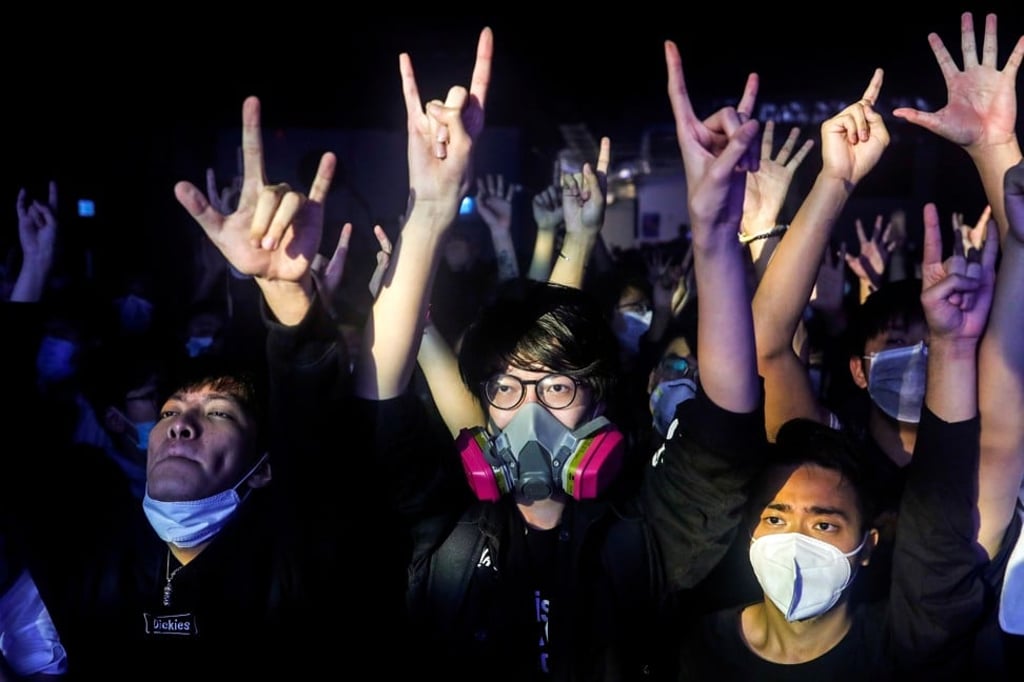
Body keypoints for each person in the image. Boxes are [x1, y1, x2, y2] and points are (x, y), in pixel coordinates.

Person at [350, 30, 767, 681]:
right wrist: (429, 210)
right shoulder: (447, 536)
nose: (529, 412)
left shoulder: (643, 537)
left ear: (597, 396)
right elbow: (377, 413)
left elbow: (727, 428)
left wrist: (713, 234)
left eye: (556, 388)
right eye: (506, 389)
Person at [674, 198, 1007, 680]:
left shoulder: (972, 470)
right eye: (898, 343)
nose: (917, 358)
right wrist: (783, 218)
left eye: (929, 344)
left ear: (868, 542)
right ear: (859, 369)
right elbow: (769, 348)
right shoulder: (827, 460)